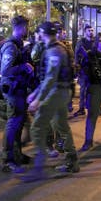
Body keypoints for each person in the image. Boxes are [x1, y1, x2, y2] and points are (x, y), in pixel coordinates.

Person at [24, 21, 79, 181]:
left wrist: (38, 100)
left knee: (37, 127)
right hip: (60, 92)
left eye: (38, 32)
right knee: (61, 126)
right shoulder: (57, 48)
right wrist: (35, 93)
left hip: (56, 93)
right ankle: (71, 161)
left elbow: (50, 78)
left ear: (43, 33)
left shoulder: (55, 51)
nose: (36, 35)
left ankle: (39, 167)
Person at [0, 16, 34, 173]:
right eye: (26, 27)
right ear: (20, 27)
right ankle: (8, 160)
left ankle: (17, 155)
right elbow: (5, 70)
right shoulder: (11, 46)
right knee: (13, 125)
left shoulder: (18, 45)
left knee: (19, 125)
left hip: (20, 90)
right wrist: (23, 66)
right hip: (13, 92)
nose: (28, 30)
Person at [73, 24, 95, 117]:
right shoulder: (81, 42)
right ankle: (81, 108)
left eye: (92, 30)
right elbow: (77, 55)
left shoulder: (95, 42)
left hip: (93, 69)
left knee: (94, 90)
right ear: (85, 32)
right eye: (89, 30)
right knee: (83, 91)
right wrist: (77, 68)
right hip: (83, 69)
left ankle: (95, 108)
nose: (91, 32)